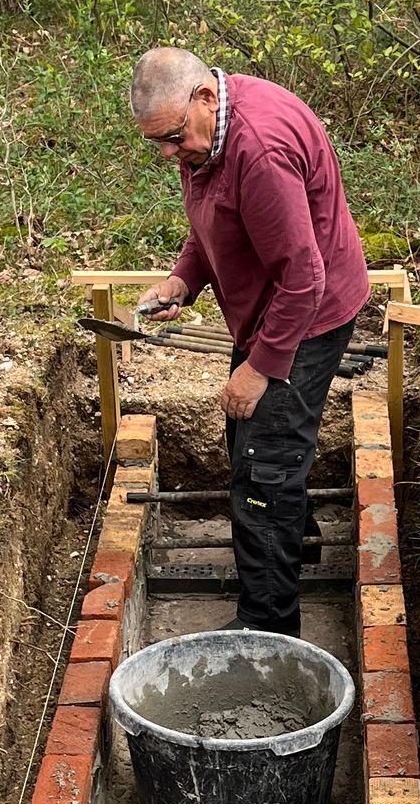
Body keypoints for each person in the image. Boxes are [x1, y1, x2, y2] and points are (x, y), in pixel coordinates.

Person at [131, 47, 370, 635]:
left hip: (307, 313)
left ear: (204, 97)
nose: (168, 154)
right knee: (251, 438)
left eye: (173, 138)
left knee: (265, 467)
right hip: (277, 303)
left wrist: (261, 366)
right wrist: (184, 279)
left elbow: (304, 279)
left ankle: (267, 631)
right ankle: (297, 544)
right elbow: (214, 219)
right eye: (157, 143)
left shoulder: (258, 151)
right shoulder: (205, 135)